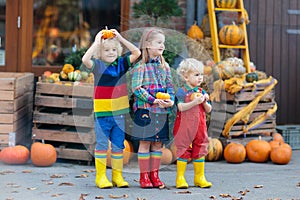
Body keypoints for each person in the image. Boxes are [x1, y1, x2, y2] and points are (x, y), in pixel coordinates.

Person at [81, 28, 141, 189]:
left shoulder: (121, 64)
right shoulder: (97, 65)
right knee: (101, 145)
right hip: (102, 114)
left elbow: (136, 53)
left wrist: (120, 38)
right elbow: (85, 59)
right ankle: (100, 177)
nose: (111, 52)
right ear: (99, 53)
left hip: (119, 113)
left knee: (118, 145)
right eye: (106, 50)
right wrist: (96, 42)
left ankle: (117, 176)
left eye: (114, 50)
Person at [131, 28, 175, 188]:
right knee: (145, 143)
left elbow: (170, 86)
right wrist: (152, 99)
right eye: (159, 42)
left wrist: (170, 100)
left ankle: (154, 176)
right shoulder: (141, 66)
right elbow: (136, 88)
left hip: (161, 111)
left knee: (157, 144)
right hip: (145, 111)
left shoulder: (165, 66)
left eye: (163, 43)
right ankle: (144, 177)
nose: (162, 46)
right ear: (148, 44)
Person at [173, 58, 212, 189]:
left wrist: (205, 102)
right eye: (196, 75)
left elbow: (209, 109)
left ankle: (199, 177)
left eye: (201, 74)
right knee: (183, 149)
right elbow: (180, 107)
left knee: (200, 148)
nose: (200, 77)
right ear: (185, 77)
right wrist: (194, 102)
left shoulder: (202, 92)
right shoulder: (182, 91)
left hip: (200, 126)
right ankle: (180, 177)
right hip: (184, 126)